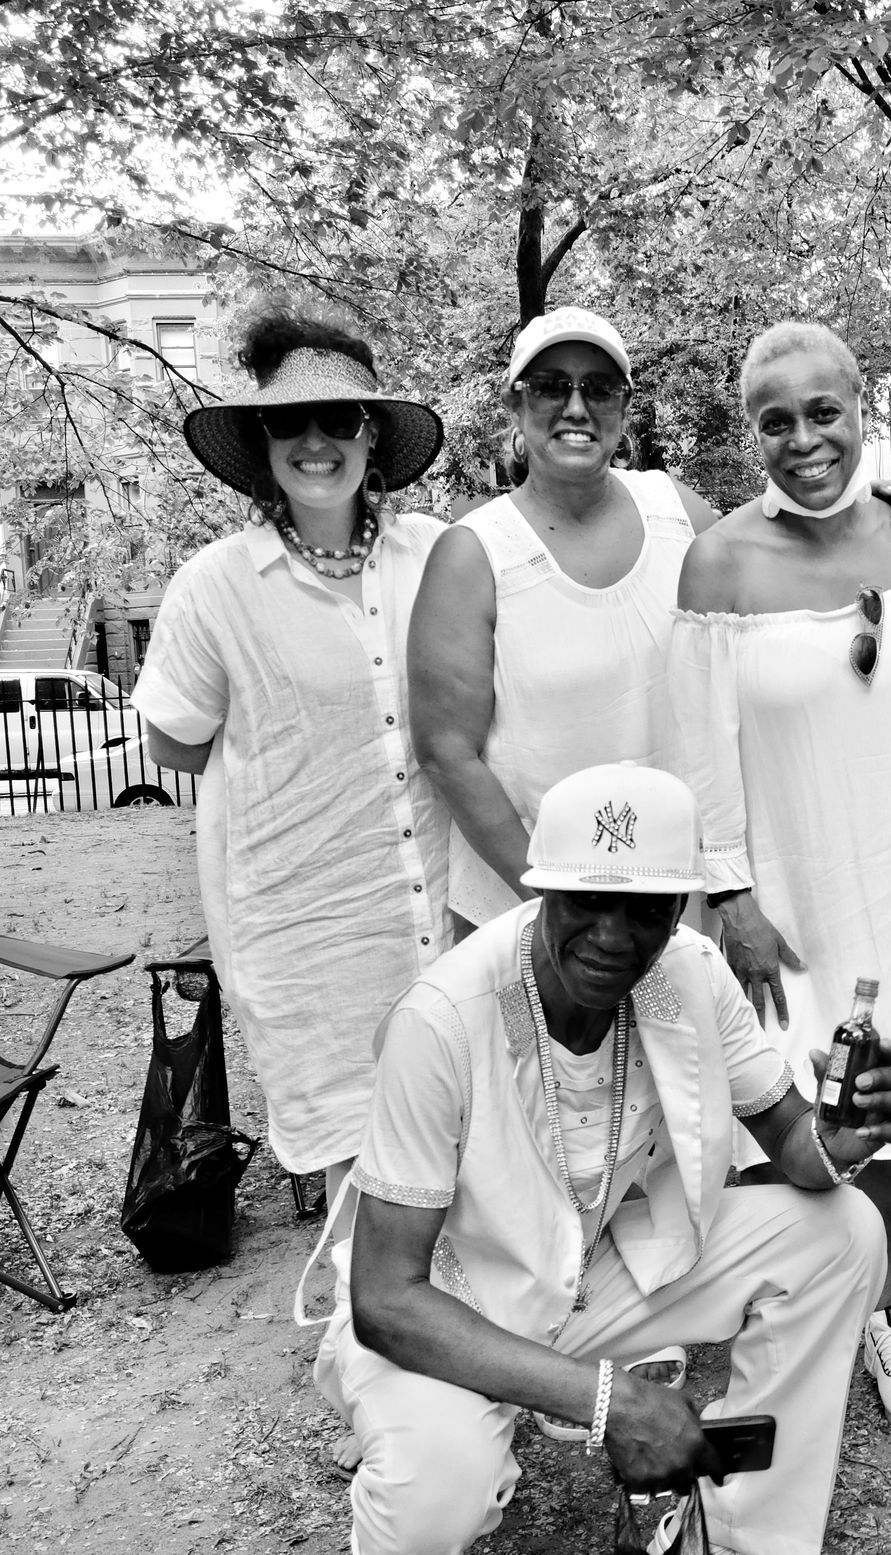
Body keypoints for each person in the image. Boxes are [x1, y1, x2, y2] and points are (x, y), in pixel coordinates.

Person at [325, 764, 891, 1555]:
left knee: (841, 1230)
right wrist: (610, 1400)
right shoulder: (444, 1018)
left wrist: (839, 1141)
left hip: (596, 1269)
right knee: (438, 1490)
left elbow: (793, 1141)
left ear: (679, 909)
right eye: (587, 901)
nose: (613, 934)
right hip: (449, 1307)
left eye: (644, 909)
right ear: (540, 889)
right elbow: (386, 1297)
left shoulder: (691, 973)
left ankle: (749, 1537)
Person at [135, 313, 450, 1477]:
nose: (316, 442)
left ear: (371, 434)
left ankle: (451, 1397)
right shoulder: (216, 587)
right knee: (365, 1187)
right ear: (262, 447)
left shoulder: (435, 559)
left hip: (440, 914)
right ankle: (385, 1420)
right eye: (289, 424)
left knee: (457, 1161)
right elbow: (172, 741)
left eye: (336, 419)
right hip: (314, 929)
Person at [670, 321, 891, 1435]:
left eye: (824, 412)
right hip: (788, 880)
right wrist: (732, 898)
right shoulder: (718, 560)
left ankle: (883, 1301)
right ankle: (793, 1303)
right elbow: (698, 746)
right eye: (776, 421)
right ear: (750, 430)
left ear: (860, 408)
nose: (804, 439)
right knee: (791, 1093)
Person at [410, 307, 891, 931]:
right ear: (514, 405)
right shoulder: (473, 552)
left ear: (624, 407)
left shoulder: (674, 510)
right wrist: (558, 904)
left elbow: (776, 565)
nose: (576, 407)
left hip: (675, 900)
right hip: (535, 906)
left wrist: (865, 505)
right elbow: (446, 752)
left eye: (600, 388)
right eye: (549, 386)